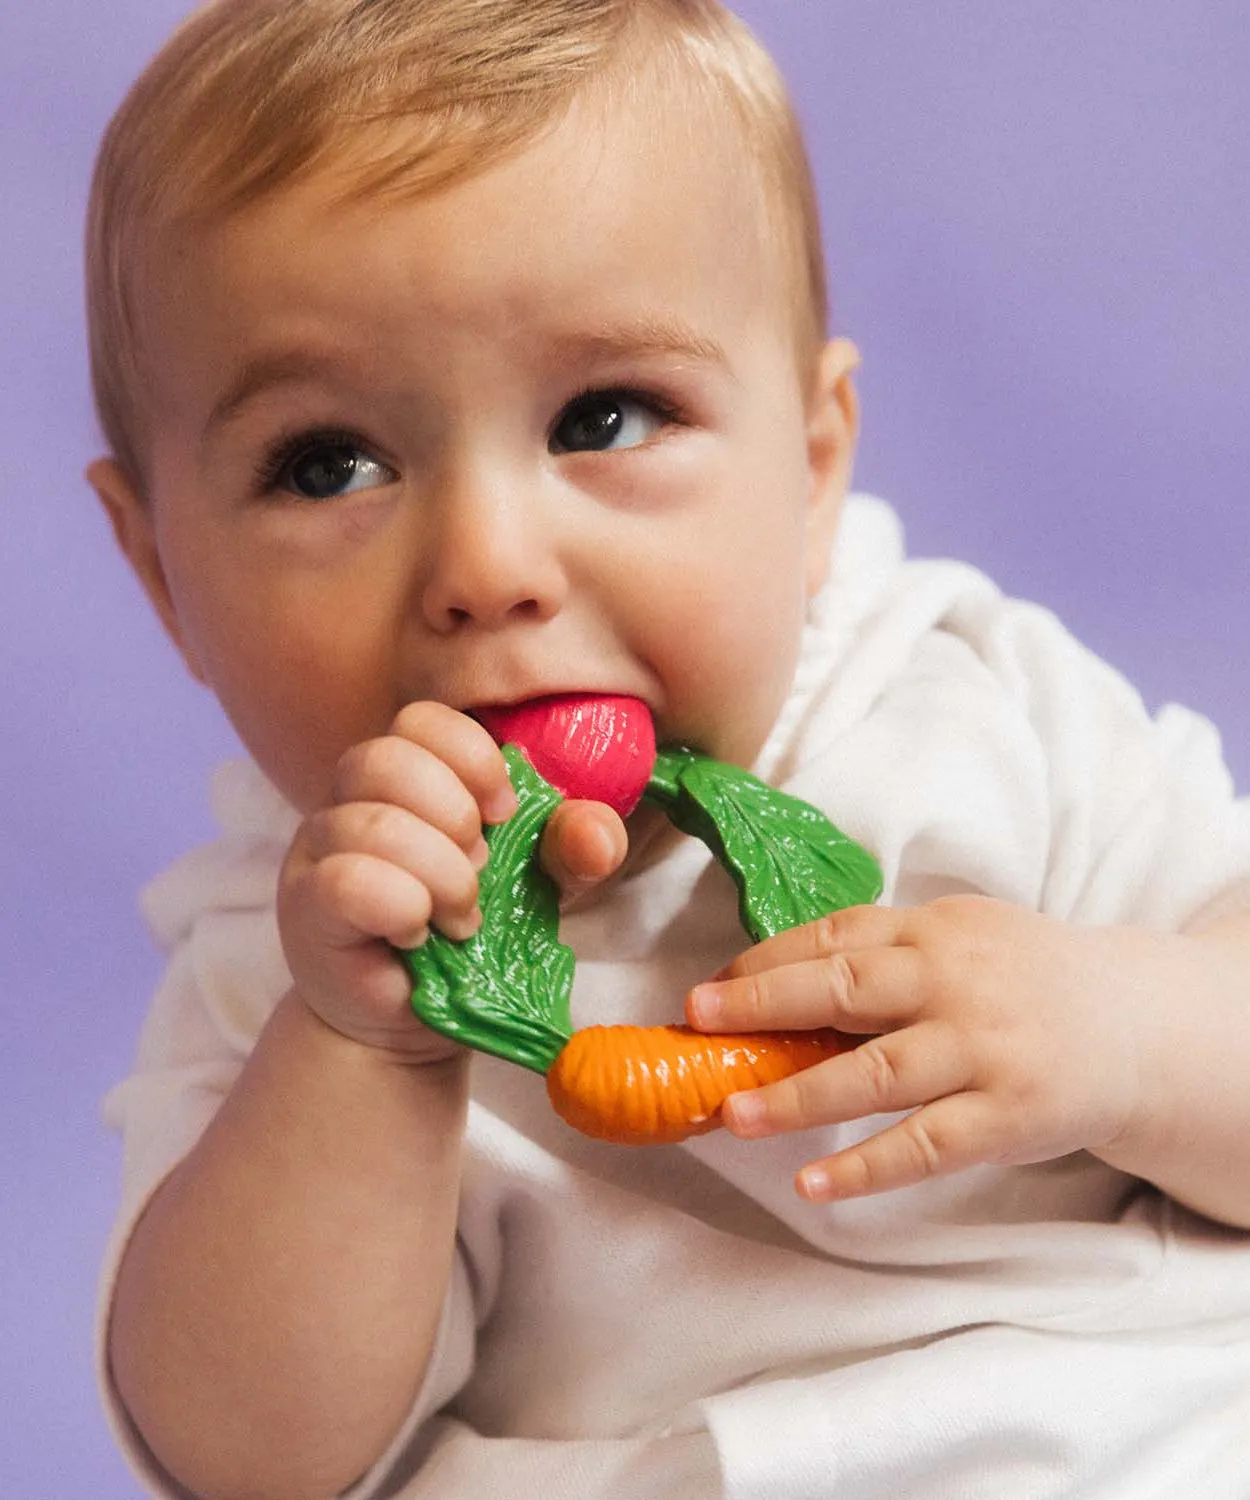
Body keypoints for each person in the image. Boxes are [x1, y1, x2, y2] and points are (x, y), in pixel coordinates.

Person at [86, 1, 1250, 1497]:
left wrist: (1127, 1036)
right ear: (164, 575)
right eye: (330, 464)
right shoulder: (292, 962)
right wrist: (358, 1053)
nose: (489, 562)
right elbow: (250, 1462)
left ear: (813, 462)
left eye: (605, 414)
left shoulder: (965, 706)